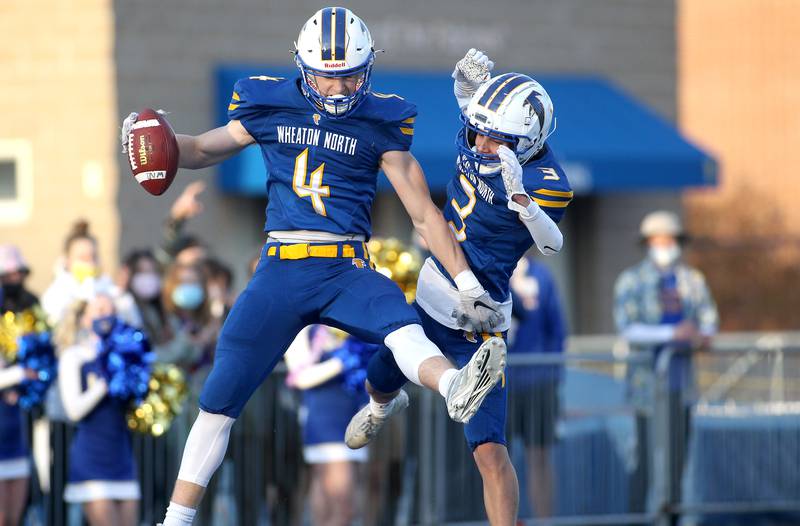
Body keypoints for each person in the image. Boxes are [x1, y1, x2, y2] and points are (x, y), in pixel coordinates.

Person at [120, 9, 507, 525]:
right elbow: (200, 149)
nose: (339, 84)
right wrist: (157, 139)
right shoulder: (267, 101)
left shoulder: (381, 118)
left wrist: (464, 282)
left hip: (344, 264)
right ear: (302, 66)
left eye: (350, 72)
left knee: (401, 321)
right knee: (219, 394)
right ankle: (177, 519)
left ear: (369, 68)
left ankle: (456, 385)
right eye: (328, 72)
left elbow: (422, 211)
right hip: (280, 268)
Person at [347, 50, 573, 525]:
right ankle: (381, 406)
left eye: (497, 140)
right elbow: (479, 116)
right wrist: (468, 94)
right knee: (378, 378)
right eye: (477, 133)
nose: (481, 146)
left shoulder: (545, 180)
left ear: (527, 144)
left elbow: (551, 245)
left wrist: (524, 203)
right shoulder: (483, 136)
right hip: (433, 296)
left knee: (489, 451)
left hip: (480, 320)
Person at [613, 210, 718, 519]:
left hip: (681, 385)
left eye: (669, 239)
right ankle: (634, 518)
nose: (664, 245)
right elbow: (628, 328)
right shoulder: (631, 281)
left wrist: (700, 336)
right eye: (658, 240)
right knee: (644, 461)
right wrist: (673, 334)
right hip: (647, 388)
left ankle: (671, 517)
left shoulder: (692, 281)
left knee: (677, 462)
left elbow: (709, 322)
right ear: (648, 243)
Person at [58, 293, 141, 526]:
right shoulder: (73, 356)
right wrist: (106, 382)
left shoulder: (126, 355)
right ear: (85, 318)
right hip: (92, 459)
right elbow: (74, 411)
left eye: (110, 310)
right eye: (98, 310)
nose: (105, 315)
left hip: (122, 457)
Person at [285, 326, 373, 526]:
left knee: (344, 506)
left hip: (356, 415)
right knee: (343, 508)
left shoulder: (352, 321)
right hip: (327, 422)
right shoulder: (306, 326)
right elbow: (300, 377)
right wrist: (343, 359)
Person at [507, 256, 567, 519]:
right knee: (494, 460)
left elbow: (557, 327)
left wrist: (552, 374)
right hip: (498, 381)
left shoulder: (542, 275)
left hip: (538, 381)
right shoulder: (486, 267)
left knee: (539, 457)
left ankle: (545, 520)